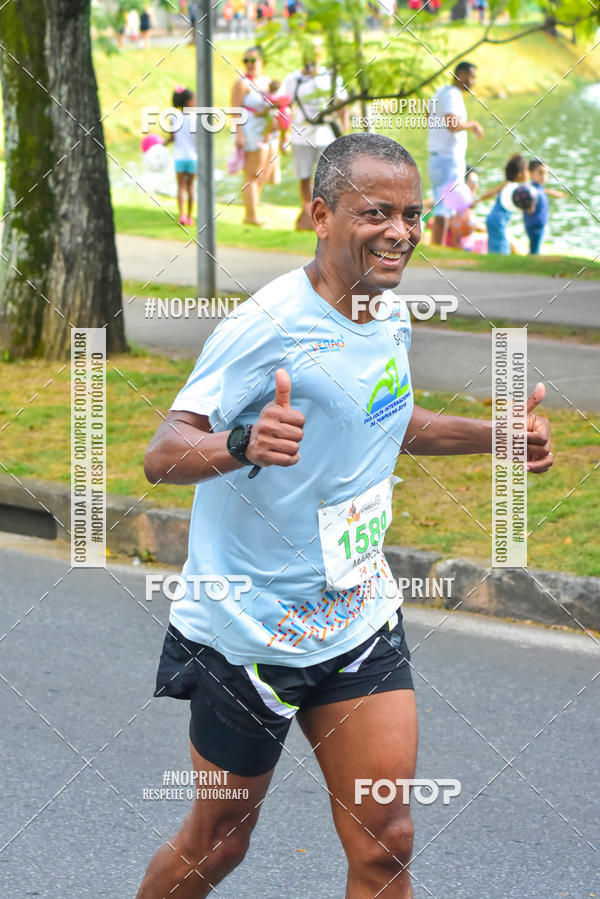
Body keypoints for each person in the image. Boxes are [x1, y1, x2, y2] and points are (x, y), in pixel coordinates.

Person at [136, 133, 553, 899]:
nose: (400, 230)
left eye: (411, 213)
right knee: (220, 841)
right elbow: (163, 452)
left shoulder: (387, 313)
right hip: (249, 633)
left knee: (387, 843)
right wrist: (240, 441)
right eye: (376, 213)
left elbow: (389, 420)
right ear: (320, 214)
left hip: (357, 618)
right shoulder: (267, 325)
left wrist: (497, 437)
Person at [282, 44, 349, 230]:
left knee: (326, 177)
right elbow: (284, 105)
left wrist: (345, 133)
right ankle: (307, 212)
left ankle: (325, 214)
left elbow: (343, 105)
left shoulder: (329, 77)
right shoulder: (293, 79)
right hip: (300, 135)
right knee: (304, 176)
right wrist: (282, 135)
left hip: (325, 135)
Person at [427, 61, 483, 245]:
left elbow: (428, 114)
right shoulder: (453, 95)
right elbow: (452, 124)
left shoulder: (441, 91)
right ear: (462, 75)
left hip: (436, 158)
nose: (474, 81)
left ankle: (438, 247)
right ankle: (438, 248)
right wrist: (472, 125)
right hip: (448, 159)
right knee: (445, 207)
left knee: (442, 204)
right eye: (472, 77)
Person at [230, 46, 273, 226]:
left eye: (252, 60)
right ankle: (251, 215)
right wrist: (239, 135)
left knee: (263, 174)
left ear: (261, 61)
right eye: (246, 60)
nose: (249, 64)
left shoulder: (266, 81)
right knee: (251, 174)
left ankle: (253, 209)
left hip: (266, 133)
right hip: (249, 132)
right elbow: (234, 111)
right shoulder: (242, 84)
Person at [164, 86, 197, 226]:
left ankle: (181, 215)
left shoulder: (173, 117)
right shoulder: (196, 118)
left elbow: (172, 138)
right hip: (193, 157)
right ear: (188, 102)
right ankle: (190, 216)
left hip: (179, 157)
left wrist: (162, 144)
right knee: (190, 187)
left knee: (181, 187)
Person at [483, 153, 528, 254]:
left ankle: (492, 265)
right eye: (527, 170)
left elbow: (491, 192)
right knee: (501, 248)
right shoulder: (513, 186)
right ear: (520, 174)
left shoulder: (510, 185)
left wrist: (478, 200)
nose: (528, 174)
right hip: (498, 221)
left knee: (496, 246)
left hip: (494, 219)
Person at [523, 158, 566, 255]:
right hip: (535, 225)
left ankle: (531, 261)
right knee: (535, 250)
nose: (544, 176)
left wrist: (553, 193)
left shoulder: (538, 188)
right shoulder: (531, 190)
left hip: (537, 224)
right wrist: (529, 207)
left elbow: (541, 191)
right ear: (530, 173)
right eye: (540, 173)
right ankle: (531, 265)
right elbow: (529, 203)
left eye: (546, 173)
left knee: (534, 247)